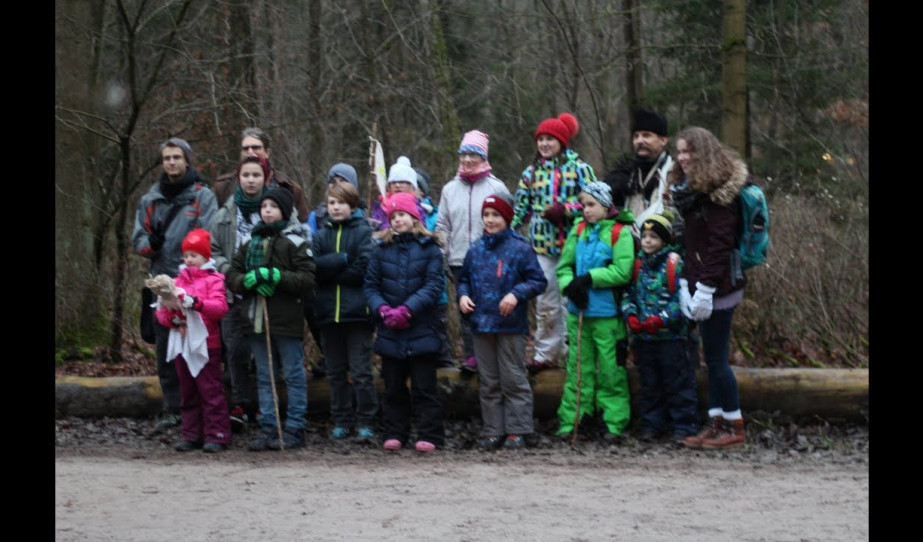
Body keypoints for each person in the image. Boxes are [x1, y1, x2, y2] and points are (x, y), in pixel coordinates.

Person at [668, 126, 749, 450]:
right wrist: (688, 285)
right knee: (711, 357)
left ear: (705, 152)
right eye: (681, 151)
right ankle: (716, 421)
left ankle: (735, 425)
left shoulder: (720, 193)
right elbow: (692, 243)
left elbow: (719, 246)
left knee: (716, 359)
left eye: (690, 151)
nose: (683, 157)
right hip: (701, 281)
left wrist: (704, 289)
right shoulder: (692, 190)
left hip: (720, 285)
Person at [133, 137, 218, 433]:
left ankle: (203, 414)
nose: (171, 162)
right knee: (166, 353)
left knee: (198, 350)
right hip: (160, 285)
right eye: (167, 157)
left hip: (195, 286)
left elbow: (208, 236)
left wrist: (188, 259)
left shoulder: (202, 196)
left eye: (177, 157)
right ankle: (173, 410)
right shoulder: (150, 200)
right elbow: (138, 240)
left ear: (187, 160)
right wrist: (151, 245)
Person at [226, 186, 316, 451]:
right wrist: (247, 281)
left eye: (273, 207)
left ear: (285, 212)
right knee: (264, 375)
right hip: (257, 320)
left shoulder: (295, 242)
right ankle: (268, 426)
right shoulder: (248, 243)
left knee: (292, 373)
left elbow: (307, 278)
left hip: (286, 322)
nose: (267, 211)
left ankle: (295, 427)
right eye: (264, 207)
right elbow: (232, 274)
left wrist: (277, 277)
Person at [456, 193, 547, 450]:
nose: (490, 220)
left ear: (507, 217)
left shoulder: (520, 247)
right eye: (486, 215)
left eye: (496, 215)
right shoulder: (475, 249)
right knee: (489, 380)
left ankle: (518, 429)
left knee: (513, 378)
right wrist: (463, 296)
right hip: (481, 324)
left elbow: (538, 280)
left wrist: (515, 294)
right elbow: (463, 279)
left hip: (510, 325)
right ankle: (493, 429)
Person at [510, 113, 597, 374]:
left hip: (574, 243)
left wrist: (567, 210)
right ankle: (545, 353)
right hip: (541, 245)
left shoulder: (579, 168)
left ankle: (575, 353)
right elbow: (520, 208)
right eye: (541, 139)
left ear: (562, 141)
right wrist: (508, 231)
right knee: (546, 300)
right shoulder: (531, 172)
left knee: (570, 298)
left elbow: (596, 201)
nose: (545, 144)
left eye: (551, 139)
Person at [363, 192, 446, 453]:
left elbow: (434, 286)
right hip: (390, 331)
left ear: (414, 217)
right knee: (393, 387)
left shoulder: (430, 248)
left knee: (424, 387)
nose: (398, 220)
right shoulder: (380, 251)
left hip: (422, 328)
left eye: (402, 215)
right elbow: (371, 286)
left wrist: (408, 310)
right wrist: (383, 309)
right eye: (393, 216)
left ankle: (430, 434)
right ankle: (395, 432)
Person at [555, 181, 635, 443]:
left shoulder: (619, 232)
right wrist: (570, 287)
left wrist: (589, 278)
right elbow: (564, 267)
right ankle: (575, 418)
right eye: (583, 205)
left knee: (611, 370)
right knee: (578, 368)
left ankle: (613, 420)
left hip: (608, 315)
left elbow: (623, 271)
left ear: (605, 205)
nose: (586, 210)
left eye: (592, 205)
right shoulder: (578, 230)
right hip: (579, 313)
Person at [209, 154, 280, 430]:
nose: (251, 180)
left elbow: (291, 240)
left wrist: (269, 275)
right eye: (246, 175)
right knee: (236, 352)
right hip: (233, 293)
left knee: (264, 351)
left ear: (266, 178)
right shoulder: (225, 213)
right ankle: (240, 403)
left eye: (257, 175)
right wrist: (230, 273)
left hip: (265, 293)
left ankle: (267, 406)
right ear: (239, 178)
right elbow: (213, 251)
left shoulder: (276, 208)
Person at [436, 130, 511, 374]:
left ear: (483, 157)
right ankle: (471, 357)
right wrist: (442, 253)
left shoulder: (496, 187)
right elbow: (443, 224)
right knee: (466, 310)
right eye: (464, 154)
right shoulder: (449, 189)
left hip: (490, 260)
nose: (468, 160)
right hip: (459, 259)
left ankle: (495, 359)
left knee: (490, 308)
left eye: (473, 154)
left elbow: (508, 222)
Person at [620, 212, 698, 443]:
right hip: (644, 338)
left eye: (653, 236)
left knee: (678, 382)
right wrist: (631, 315)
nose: (647, 241)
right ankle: (652, 424)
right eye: (644, 236)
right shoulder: (638, 265)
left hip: (671, 337)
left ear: (664, 240)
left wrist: (662, 319)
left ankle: (684, 425)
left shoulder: (675, 264)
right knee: (650, 383)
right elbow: (629, 294)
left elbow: (680, 300)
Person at [312, 181, 379, 442]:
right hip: (328, 314)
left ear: (352, 206)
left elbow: (364, 267)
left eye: (341, 202)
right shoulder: (320, 236)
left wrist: (333, 273)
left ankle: (366, 421)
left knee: (361, 372)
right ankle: (341, 419)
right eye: (331, 203)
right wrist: (341, 259)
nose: (336, 207)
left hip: (357, 314)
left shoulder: (363, 232)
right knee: (335, 372)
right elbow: (314, 267)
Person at [153, 228, 231, 453]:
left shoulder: (214, 279)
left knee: (210, 390)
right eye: (186, 255)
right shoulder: (176, 280)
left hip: (207, 344)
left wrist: (195, 303)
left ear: (206, 257)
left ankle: (217, 433)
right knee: (187, 390)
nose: (189, 260)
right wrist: (173, 318)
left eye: (194, 255)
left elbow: (219, 308)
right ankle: (190, 434)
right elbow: (161, 312)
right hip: (182, 343)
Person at [213, 126, 310, 224]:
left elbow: (302, 227)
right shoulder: (223, 186)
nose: (250, 152)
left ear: (267, 152)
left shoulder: (290, 188)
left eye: (256, 147)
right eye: (246, 148)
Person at [602, 108, 674, 230]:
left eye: (646, 135)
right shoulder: (622, 174)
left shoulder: (674, 173)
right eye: (636, 136)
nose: (640, 141)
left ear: (663, 140)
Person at [369, 156, 427, 231]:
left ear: (412, 187)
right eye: (393, 182)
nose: (397, 185)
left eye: (402, 182)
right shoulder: (380, 209)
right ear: (389, 187)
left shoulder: (418, 209)